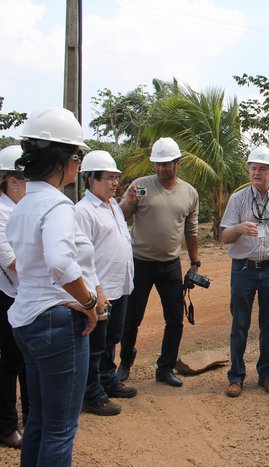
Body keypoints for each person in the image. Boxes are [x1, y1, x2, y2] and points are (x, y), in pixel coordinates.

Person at [7, 107, 102, 466]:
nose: (79, 164)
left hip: (27, 320)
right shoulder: (58, 205)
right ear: (62, 160)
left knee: (39, 423)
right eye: (77, 156)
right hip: (57, 324)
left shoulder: (24, 205)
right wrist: (90, 301)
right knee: (60, 430)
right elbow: (61, 264)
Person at [117, 137, 200, 388]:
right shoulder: (140, 186)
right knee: (132, 318)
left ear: (178, 164)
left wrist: (195, 262)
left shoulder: (189, 193)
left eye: (167, 164)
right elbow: (121, 216)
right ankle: (125, 362)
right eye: (158, 164)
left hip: (170, 265)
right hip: (139, 263)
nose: (162, 168)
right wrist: (129, 201)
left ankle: (165, 368)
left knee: (175, 319)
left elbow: (192, 230)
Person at [220, 146, 269, 398]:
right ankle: (236, 376)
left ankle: (267, 374)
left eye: (262, 169)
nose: (256, 173)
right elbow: (224, 236)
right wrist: (239, 228)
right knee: (240, 324)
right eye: (253, 168)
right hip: (244, 269)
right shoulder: (238, 199)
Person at [76, 151, 136, 416]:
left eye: (116, 178)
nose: (115, 183)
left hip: (120, 285)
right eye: (109, 178)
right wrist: (96, 290)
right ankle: (92, 394)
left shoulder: (113, 207)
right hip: (99, 290)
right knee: (95, 346)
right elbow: (82, 257)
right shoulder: (83, 211)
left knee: (112, 337)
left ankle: (108, 380)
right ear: (91, 179)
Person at [0, 145, 28, 449]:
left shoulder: (20, 208)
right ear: (11, 180)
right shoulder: (1, 212)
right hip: (8, 294)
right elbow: (12, 261)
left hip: (25, 293)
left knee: (25, 360)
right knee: (11, 361)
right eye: (25, 178)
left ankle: (30, 417)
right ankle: (7, 426)